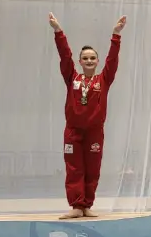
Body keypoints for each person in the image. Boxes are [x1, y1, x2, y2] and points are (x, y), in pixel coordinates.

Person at [49, 12, 126, 219]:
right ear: (80, 61)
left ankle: (87, 205)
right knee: (74, 169)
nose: (89, 60)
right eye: (85, 58)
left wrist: (116, 34)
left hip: (94, 132)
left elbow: (113, 60)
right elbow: (65, 56)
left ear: (98, 61)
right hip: (73, 132)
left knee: (92, 169)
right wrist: (58, 31)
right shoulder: (72, 77)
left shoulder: (104, 79)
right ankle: (76, 206)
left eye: (92, 58)